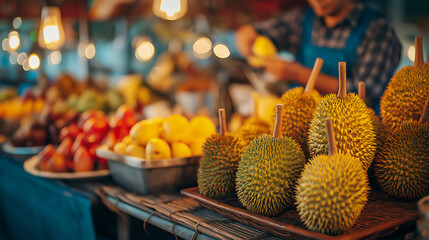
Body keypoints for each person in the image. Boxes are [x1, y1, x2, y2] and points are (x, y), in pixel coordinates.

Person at [235, 0, 401, 110]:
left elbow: (366, 93)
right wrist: (247, 36)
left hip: (352, 132)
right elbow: (255, 32)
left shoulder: (378, 29)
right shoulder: (302, 18)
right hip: (300, 122)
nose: (317, 1)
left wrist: (297, 74)